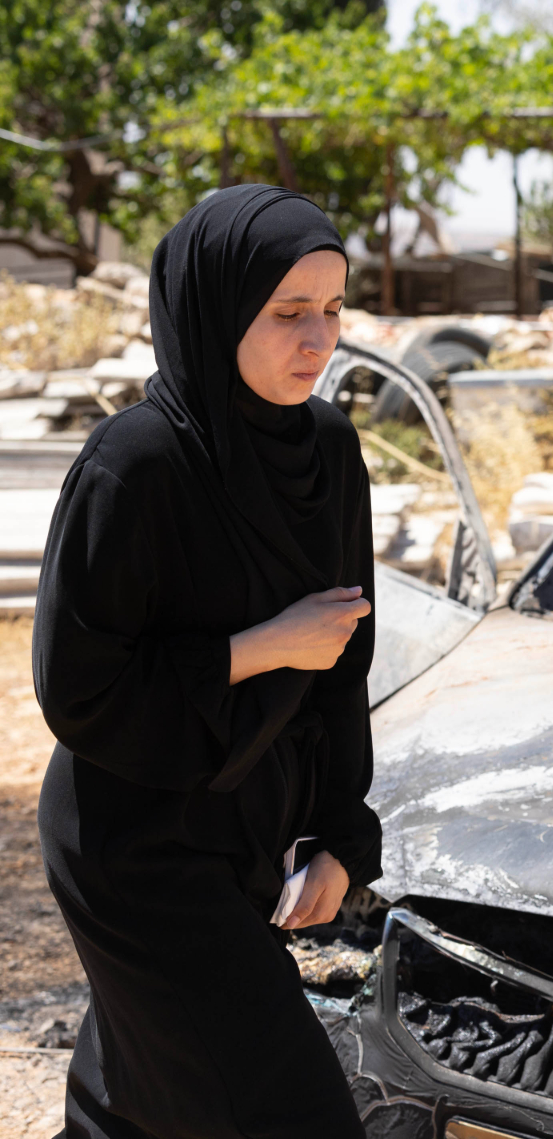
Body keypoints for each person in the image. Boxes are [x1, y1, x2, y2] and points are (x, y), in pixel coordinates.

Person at [34, 185, 379, 1138]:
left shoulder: (330, 453)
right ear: (218, 311)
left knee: (142, 1104)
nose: (320, 340)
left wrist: (336, 833)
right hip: (130, 839)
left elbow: (342, 668)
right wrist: (258, 649)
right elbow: (75, 687)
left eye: (334, 309)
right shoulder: (134, 465)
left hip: (241, 827)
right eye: (287, 314)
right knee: (288, 1109)